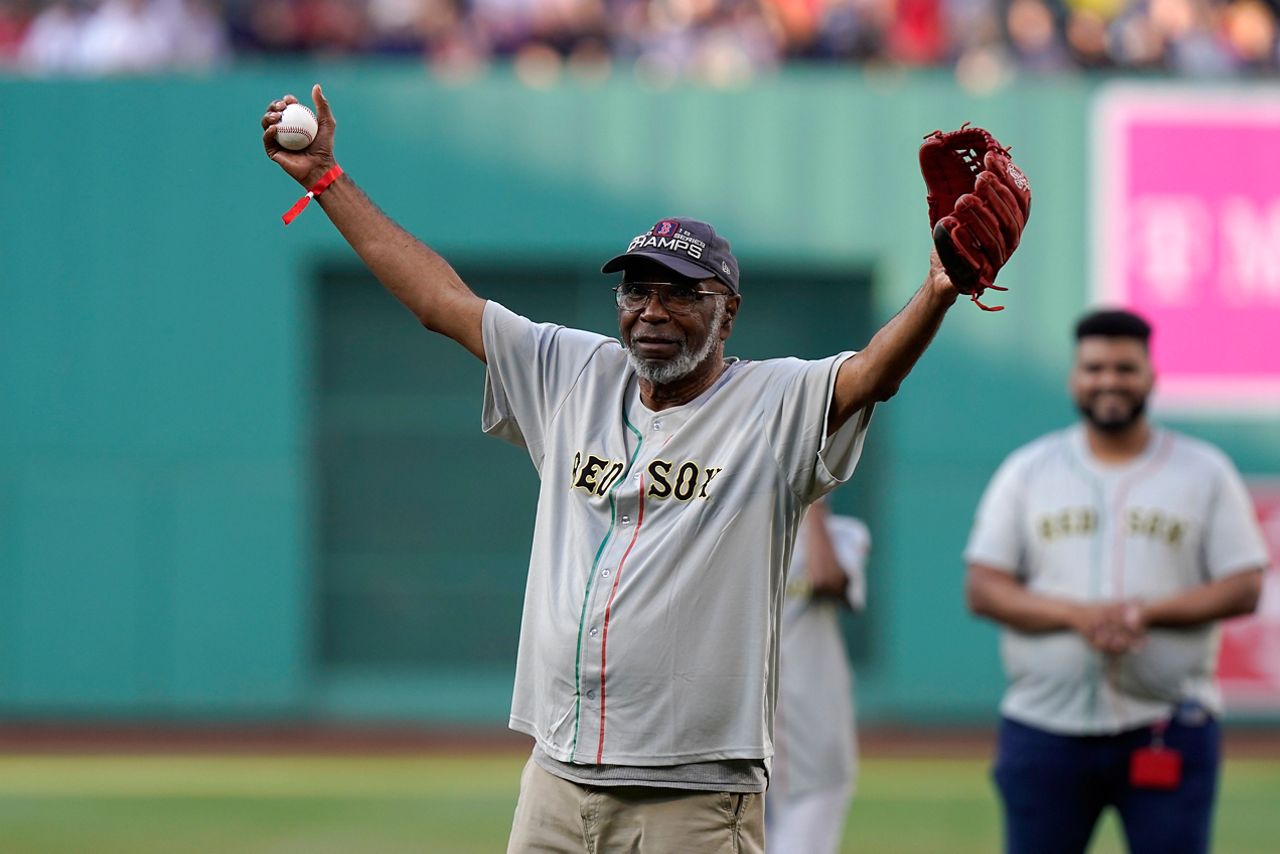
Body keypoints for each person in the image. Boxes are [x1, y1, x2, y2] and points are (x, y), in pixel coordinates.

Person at [262, 84, 976, 854]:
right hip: (557, 781)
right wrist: (327, 181)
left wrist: (938, 291)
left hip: (694, 796)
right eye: (638, 290)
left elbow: (871, 373)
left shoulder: (773, 398)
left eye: (681, 294)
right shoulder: (571, 371)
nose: (653, 311)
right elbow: (440, 300)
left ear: (727, 312)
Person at [964, 308, 1269, 854]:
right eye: (1095, 367)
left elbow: (1244, 584)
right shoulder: (1028, 470)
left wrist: (1144, 614)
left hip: (1169, 723)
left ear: (1152, 376)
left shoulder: (1204, 470)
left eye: (1126, 368)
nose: (1110, 380)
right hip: (1043, 727)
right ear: (1074, 378)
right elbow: (983, 586)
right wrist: (1077, 616)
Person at [767, 499, 869, 854]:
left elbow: (827, 578)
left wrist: (814, 502)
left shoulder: (844, 533)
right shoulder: (742, 535)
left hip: (816, 737)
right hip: (748, 744)